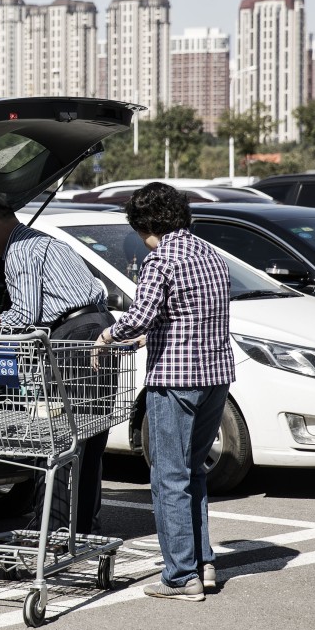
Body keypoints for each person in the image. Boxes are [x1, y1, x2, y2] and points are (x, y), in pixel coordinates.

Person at [97, 182, 233, 602]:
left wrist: (107, 336)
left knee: (169, 477)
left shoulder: (162, 258)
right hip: (215, 377)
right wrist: (149, 338)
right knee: (192, 473)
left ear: (146, 225)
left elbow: (139, 316)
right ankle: (202, 562)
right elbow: (187, 315)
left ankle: (180, 577)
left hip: (174, 381)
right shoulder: (210, 254)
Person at [0, 196, 115, 536]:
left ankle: (56, 530)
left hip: (71, 338)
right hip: (98, 329)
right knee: (90, 439)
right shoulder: (49, 242)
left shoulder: (19, 250)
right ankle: (84, 528)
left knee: (62, 439)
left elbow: (24, 316)